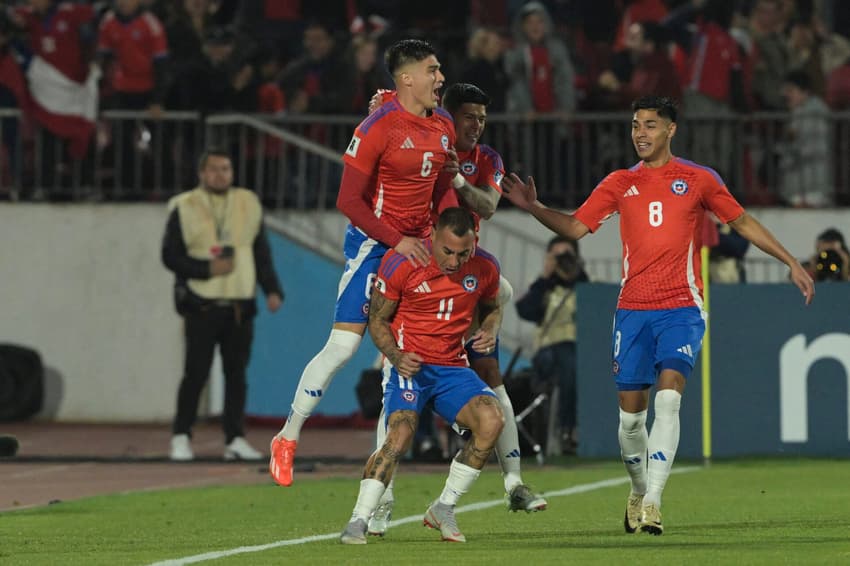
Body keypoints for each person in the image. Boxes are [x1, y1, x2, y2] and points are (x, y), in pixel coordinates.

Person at [501, 95, 814, 535]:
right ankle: (637, 488)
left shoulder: (698, 179)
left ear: (670, 130)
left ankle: (653, 501)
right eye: (634, 125)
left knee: (669, 397)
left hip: (682, 308)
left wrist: (791, 261)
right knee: (631, 419)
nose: (640, 133)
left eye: (650, 125)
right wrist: (534, 208)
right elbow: (574, 228)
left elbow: (742, 222)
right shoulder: (617, 183)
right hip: (632, 312)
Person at [269, 39, 459, 487]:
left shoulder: (444, 123)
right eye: (432, 70)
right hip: (376, 245)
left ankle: (379, 493)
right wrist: (397, 240)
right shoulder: (378, 126)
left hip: (420, 244)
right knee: (344, 348)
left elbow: (441, 189)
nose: (440, 77)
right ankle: (288, 435)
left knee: (401, 361)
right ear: (407, 77)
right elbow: (347, 201)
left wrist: (450, 232)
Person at [365, 83, 547, 539]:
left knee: (493, 383)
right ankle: (381, 501)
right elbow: (393, 132)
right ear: (449, 115)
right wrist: (381, 105)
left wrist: (459, 179)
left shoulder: (486, 159)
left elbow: (488, 203)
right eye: (469, 116)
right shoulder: (426, 140)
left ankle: (513, 483)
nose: (476, 125)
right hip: (422, 274)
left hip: (465, 283)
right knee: (397, 397)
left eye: (482, 117)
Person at [340, 207, 505, 545]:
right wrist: (396, 357)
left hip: (452, 367)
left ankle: (444, 507)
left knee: (492, 420)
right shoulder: (402, 262)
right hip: (410, 365)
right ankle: (358, 519)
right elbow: (378, 319)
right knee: (400, 434)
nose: (455, 261)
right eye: (447, 251)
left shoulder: (485, 266)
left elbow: (493, 305)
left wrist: (489, 328)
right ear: (432, 237)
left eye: (463, 253)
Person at [162, 148, 283, 461]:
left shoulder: (248, 202)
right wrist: (205, 269)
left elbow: (260, 250)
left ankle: (235, 439)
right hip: (202, 303)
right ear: (202, 174)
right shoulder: (184, 206)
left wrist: (272, 289)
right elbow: (170, 255)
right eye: (214, 169)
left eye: (226, 169)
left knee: (237, 374)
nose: (221, 175)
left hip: (240, 304)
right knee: (195, 373)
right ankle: (181, 436)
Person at [516, 236, 589, 454]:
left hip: (582, 350)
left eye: (567, 255)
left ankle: (572, 428)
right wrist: (545, 277)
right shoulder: (542, 286)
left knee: (572, 357)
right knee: (567, 355)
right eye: (557, 256)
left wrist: (578, 274)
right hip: (548, 350)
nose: (563, 261)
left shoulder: (584, 284)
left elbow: (595, 310)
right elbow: (526, 311)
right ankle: (568, 428)